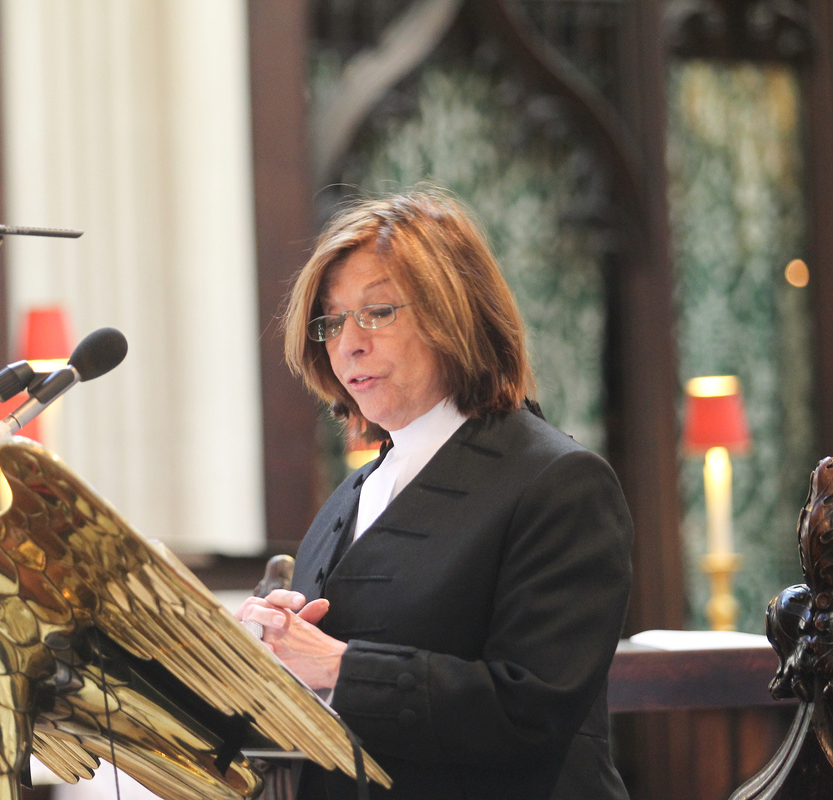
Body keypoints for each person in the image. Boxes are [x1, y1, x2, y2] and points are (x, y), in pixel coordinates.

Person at [237, 189, 633, 800]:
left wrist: (338, 669)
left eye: (379, 312)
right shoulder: (351, 497)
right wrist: (255, 653)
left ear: (457, 316)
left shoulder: (558, 482)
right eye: (334, 321)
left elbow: (531, 711)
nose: (349, 344)